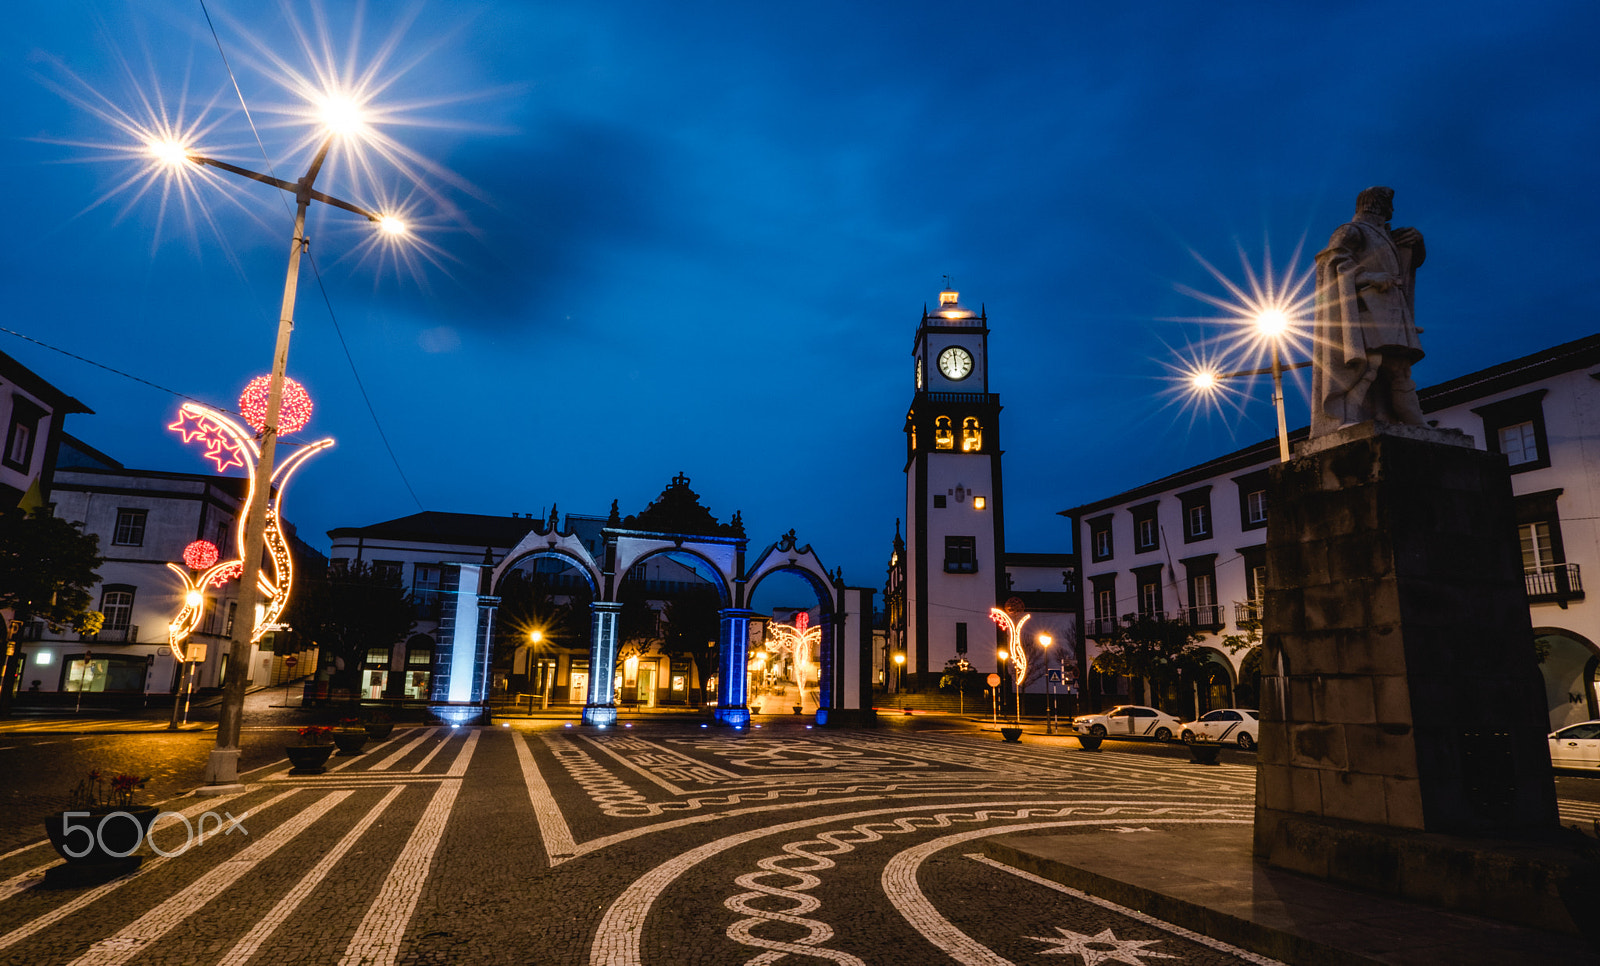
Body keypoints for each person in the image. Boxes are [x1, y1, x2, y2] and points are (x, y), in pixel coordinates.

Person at [1311, 186, 1427, 435]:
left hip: (1392, 311)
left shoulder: (1386, 236)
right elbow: (1331, 263)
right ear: (1376, 204)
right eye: (1388, 204)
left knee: (1398, 369)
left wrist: (1417, 242)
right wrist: (1368, 276)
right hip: (1365, 309)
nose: (1393, 210)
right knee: (1368, 364)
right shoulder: (1351, 231)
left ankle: (1411, 421)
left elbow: (1411, 260)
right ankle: (1348, 416)